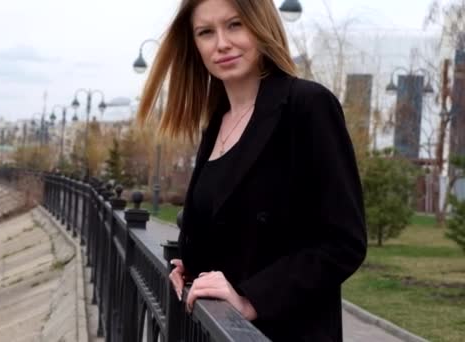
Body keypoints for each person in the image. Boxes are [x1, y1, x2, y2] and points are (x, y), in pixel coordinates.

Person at [136, 0, 367, 341]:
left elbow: (343, 242)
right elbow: (225, 220)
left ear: (262, 26)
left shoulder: (308, 106)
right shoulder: (217, 123)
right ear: (194, 45)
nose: (222, 43)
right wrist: (190, 263)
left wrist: (251, 299)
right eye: (206, 32)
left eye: (235, 25)